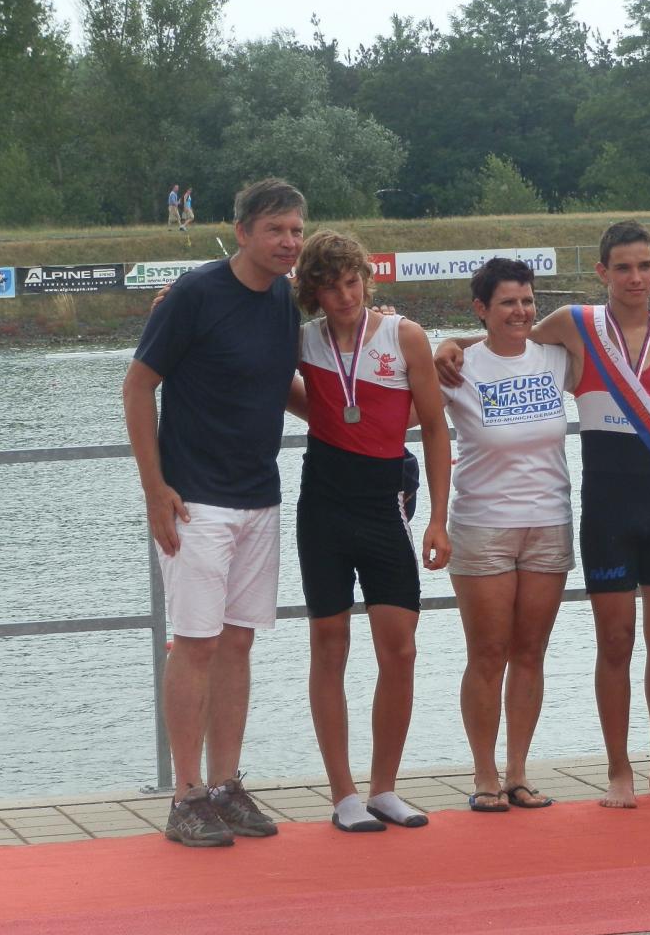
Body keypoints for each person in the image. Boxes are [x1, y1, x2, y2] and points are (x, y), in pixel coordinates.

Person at [437, 221, 650, 809]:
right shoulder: (576, 327)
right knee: (614, 641)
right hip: (605, 514)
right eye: (623, 267)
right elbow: (506, 337)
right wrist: (449, 344)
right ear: (602, 272)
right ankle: (618, 772)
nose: (635, 278)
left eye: (645, 266)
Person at [123, 177, 306, 847]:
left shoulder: (284, 299)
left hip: (259, 496)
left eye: (296, 230)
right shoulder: (196, 294)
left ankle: (226, 786)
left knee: (238, 643)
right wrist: (154, 489)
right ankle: (186, 796)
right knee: (195, 643)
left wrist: (363, 422)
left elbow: (281, 384)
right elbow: (137, 387)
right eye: (274, 230)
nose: (287, 242)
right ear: (242, 233)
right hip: (196, 499)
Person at [294, 229, 452, 832]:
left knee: (401, 648)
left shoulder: (403, 335)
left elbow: (434, 428)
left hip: (385, 505)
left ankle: (384, 788)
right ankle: (344, 795)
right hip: (323, 507)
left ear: (366, 278)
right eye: (331, 287)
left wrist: (438, 517)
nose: (346, 296)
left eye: (353, 281)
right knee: (329, 644)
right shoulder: (302, 340)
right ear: (314, 292)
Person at [440, 258, 579, 812]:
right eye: (507, 303)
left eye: (527, 300)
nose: (520, 312)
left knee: (530, 652)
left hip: (549, 522)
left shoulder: (555, 356)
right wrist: (446, 344)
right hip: (483, 525)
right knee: (488, 652)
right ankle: (483, 775)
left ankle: (518, 772)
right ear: (481, 308)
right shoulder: (459, 367)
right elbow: (408, 414)